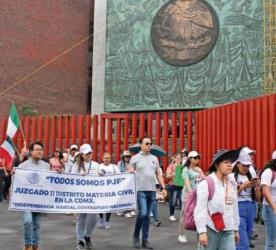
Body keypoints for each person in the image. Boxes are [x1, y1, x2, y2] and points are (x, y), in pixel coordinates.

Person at [194, 149, 240, 250]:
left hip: (228, 229)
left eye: (231, 162)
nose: (229, 165)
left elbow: (234, 207)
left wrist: (236, 229)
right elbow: (200, 209)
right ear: (216, 165)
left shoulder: (232, 183)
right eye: (225, 162)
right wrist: (201, 231)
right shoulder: (207, 183)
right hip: (210, 228)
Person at [128, 137, 167, 249]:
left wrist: (163, 187)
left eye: (150, 143)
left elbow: (158, 174)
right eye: (147, 143)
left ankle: (145, 240)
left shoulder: (154, 158)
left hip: (152, 190)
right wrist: (130, 170)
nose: (149, 145)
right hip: (140, 190)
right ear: (141, 145)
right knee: (143, 213)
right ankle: (136, 236)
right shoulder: (134, 158)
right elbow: (129, 171)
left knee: (147, 217)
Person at [15, 141, 50, 250]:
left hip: (40, 201)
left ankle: (35, 246)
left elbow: (49, 182)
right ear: (31, 151)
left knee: (36, 226)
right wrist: (14, 173)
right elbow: (17, 178)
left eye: (41, 149)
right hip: (25, 200)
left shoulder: (46, 166)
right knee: (28, 222)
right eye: (37, 149)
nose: (40, 151)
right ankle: (27, 246)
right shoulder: (24, 165)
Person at [71, 144, 100, 250]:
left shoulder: (96, 165)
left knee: (94, 216)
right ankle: (80, 241)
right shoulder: (76, 166)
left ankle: (87, 235)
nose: (89, 155)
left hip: (93, 196)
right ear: (82, 154)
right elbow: (71, 179)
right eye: (87, 153)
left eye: (90, 152)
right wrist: (79, 177)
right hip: (80, 196)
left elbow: (102, 177)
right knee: (81, 218)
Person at [231, 152, 261, 250]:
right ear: (238, 163)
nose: (246, 168)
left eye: (248, 165)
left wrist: (257, 187)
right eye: (244, 165)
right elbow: (230, 196)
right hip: (238, 206)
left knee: (246, 237)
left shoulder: (250, 176)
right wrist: (243, 186)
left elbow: (257, 198)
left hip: (250, 206)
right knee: (242, 241)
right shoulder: (232, 177)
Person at [178, 150, 204, 243]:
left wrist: (200, 172)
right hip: (188, 195)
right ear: (190, 159)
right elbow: (187, 182)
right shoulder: (185, 169)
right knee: (185, 213)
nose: (198, 159)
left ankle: (200, 234)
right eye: (195, 157)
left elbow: (204, 180)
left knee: (199, 214)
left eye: (198, 157)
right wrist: (191, 193)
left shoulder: (198, 169)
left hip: (199, 194)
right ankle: (181, 234)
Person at [99, 152, 120, 229]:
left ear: (110, 159)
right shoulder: (99, 166)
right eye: (105, 158)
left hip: (111, 190)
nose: (107, 159)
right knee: (100, 206)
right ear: (102, 159)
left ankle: (107, 221)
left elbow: (119, 176)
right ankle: (101, 218)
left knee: (109, 206)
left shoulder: (114, 167)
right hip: (101, 190)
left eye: (108, 158)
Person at [260, 150, 276, 250]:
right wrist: (274, 206)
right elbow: (265, 191)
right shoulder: (268, 172)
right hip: (270, 209)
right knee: (271, 241)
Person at [117, 150, 136, 218]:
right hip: (122, 183)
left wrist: (133, 171)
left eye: (128, 157)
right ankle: (123, 211)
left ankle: (131, 209)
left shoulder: (132, 164)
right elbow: (118, 173)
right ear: (123, 157)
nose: (127, 158)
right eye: (126, 157)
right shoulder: (120, 164)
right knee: (123, 197)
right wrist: (127, 171)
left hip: (130, 183)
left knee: (130, 196)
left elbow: (135, 171)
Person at [166, 154, 184, 221]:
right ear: (174, 159)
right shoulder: (171, 166)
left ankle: (183, 216)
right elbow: (167, 176)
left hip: (181, 186)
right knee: (173, 201)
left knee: (182, 200)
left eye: (179, 158)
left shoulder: (182, 167)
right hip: (173, 185)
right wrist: (172, 175)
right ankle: (172, 214)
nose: (178, 159)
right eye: (177, 158)